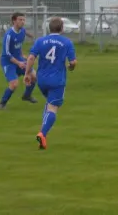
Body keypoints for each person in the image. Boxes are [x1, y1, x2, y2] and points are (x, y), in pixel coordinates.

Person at [25, 17, 77, 150]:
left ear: (49, 28)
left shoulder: (40, 41)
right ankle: (42, 134)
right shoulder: (67, 42)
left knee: (49, 105)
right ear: (62, 28)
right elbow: (73, 62)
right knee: (53, 108)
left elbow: (31, 58)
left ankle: (42, 140)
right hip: (57, 80)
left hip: (42, 79)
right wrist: (71, 67)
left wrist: (27, 73)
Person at [0, 12, 38, 109]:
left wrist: (21, 55)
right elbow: (7, 53)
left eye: (24, 20)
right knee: (14, 84)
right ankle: (2, 103)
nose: (23, 22)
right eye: (20, 20)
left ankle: (26, 95)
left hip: (18, 59)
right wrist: (18, 62)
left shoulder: (22, 31)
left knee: (34, 76)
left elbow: (19, 44)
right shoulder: (9, 35)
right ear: (14, 21)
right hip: (8, 62)